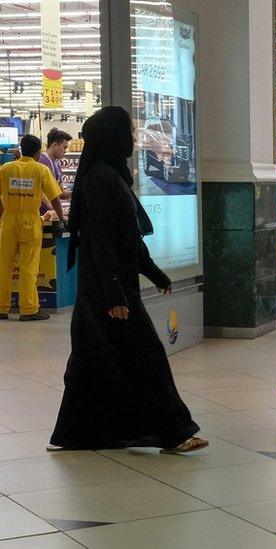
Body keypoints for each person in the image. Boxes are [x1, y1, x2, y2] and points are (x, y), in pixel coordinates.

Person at [49, 106, 206, 454]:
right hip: (109, 288)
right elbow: (103, 241)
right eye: (130, 134)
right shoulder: (103, 179)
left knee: (93, 359)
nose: (134, 140)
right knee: (146, 356)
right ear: (113, 137)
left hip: (106, 286)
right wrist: (115, 295)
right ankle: (175, 431)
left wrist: (153, 273)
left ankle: (77, 432)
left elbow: (128, 238)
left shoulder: (111, 175)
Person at [0, 134, 66, 322]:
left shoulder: (6, 168)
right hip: (30, 222)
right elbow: (55, 198)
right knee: (28, 268)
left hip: (8, 221)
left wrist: (2, 216)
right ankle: (28, 310)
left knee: (3, 266)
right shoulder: (41, 170)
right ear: (38, 153)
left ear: (21, 149)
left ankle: (1, 307)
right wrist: (61, 219)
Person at [38, 128, 73, 209]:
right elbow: (38, 190)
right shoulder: (41, 162)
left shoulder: (57, 165)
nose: (65, 151)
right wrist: (52, 207)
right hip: (40, 214)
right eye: (64, 147)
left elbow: (60, 194)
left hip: (52, 214)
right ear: (55, 145)